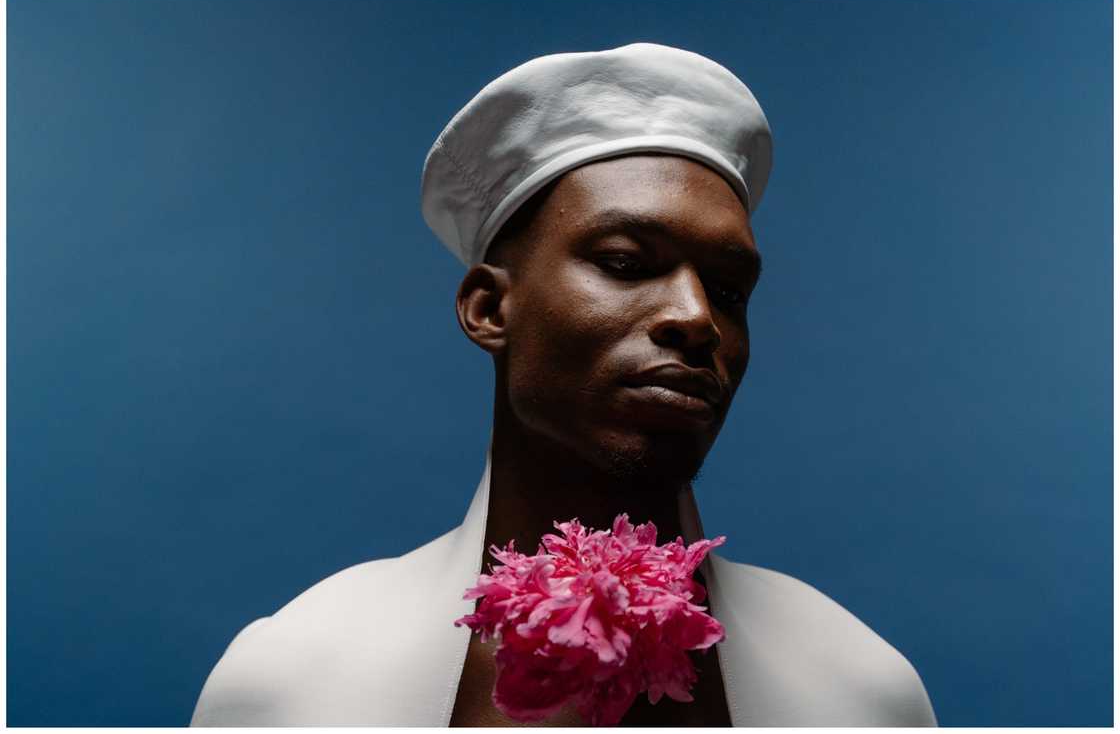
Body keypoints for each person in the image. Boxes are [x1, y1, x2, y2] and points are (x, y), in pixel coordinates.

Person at [190, 43, 938, 727]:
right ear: (489, 307)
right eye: (623, 261)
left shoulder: (862, 690)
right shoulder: (291, 685)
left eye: (729, 289)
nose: (696, 317)